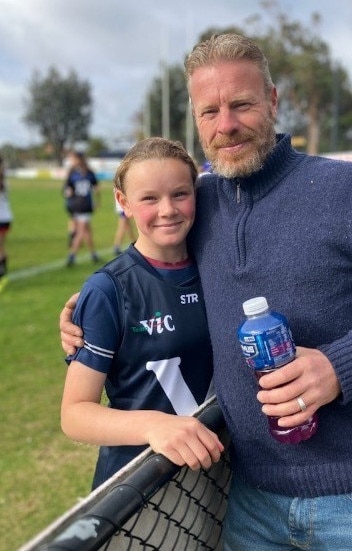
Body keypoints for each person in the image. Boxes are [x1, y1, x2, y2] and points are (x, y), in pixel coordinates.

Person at [60, 34, 352, 550]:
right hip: (247, 495)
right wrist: (85, 306)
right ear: (196, 119)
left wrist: (342, 366)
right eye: (209, 111)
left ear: (272, 100)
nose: (225, 125)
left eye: (241, 104)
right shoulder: (196, 203)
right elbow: (147, 266)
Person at [60, 137, 223, 490]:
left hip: (219, 479)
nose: (167, 209)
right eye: (149, 198)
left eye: (180, 194)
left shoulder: (220, 269)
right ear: (123, 202)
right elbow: (74, 414)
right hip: (142, 492)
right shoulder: (108, 289)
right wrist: (154, 425)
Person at [63, 151, 101, 266]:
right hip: (81, 205)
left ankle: (92, 254)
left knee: (86, 231)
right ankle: (72, 256)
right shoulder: (87, 173)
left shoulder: (75, 173)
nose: (72, 161)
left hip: (80, 205)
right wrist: (97, 201)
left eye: (74, 159)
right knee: (82, 231)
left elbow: (67, 190)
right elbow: (96, 189)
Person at [0, 154, 13, 291]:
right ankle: (3, 274)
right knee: (1, 247)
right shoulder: (5, 180)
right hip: (6, 217)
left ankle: (3, 275)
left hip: (1, 218)